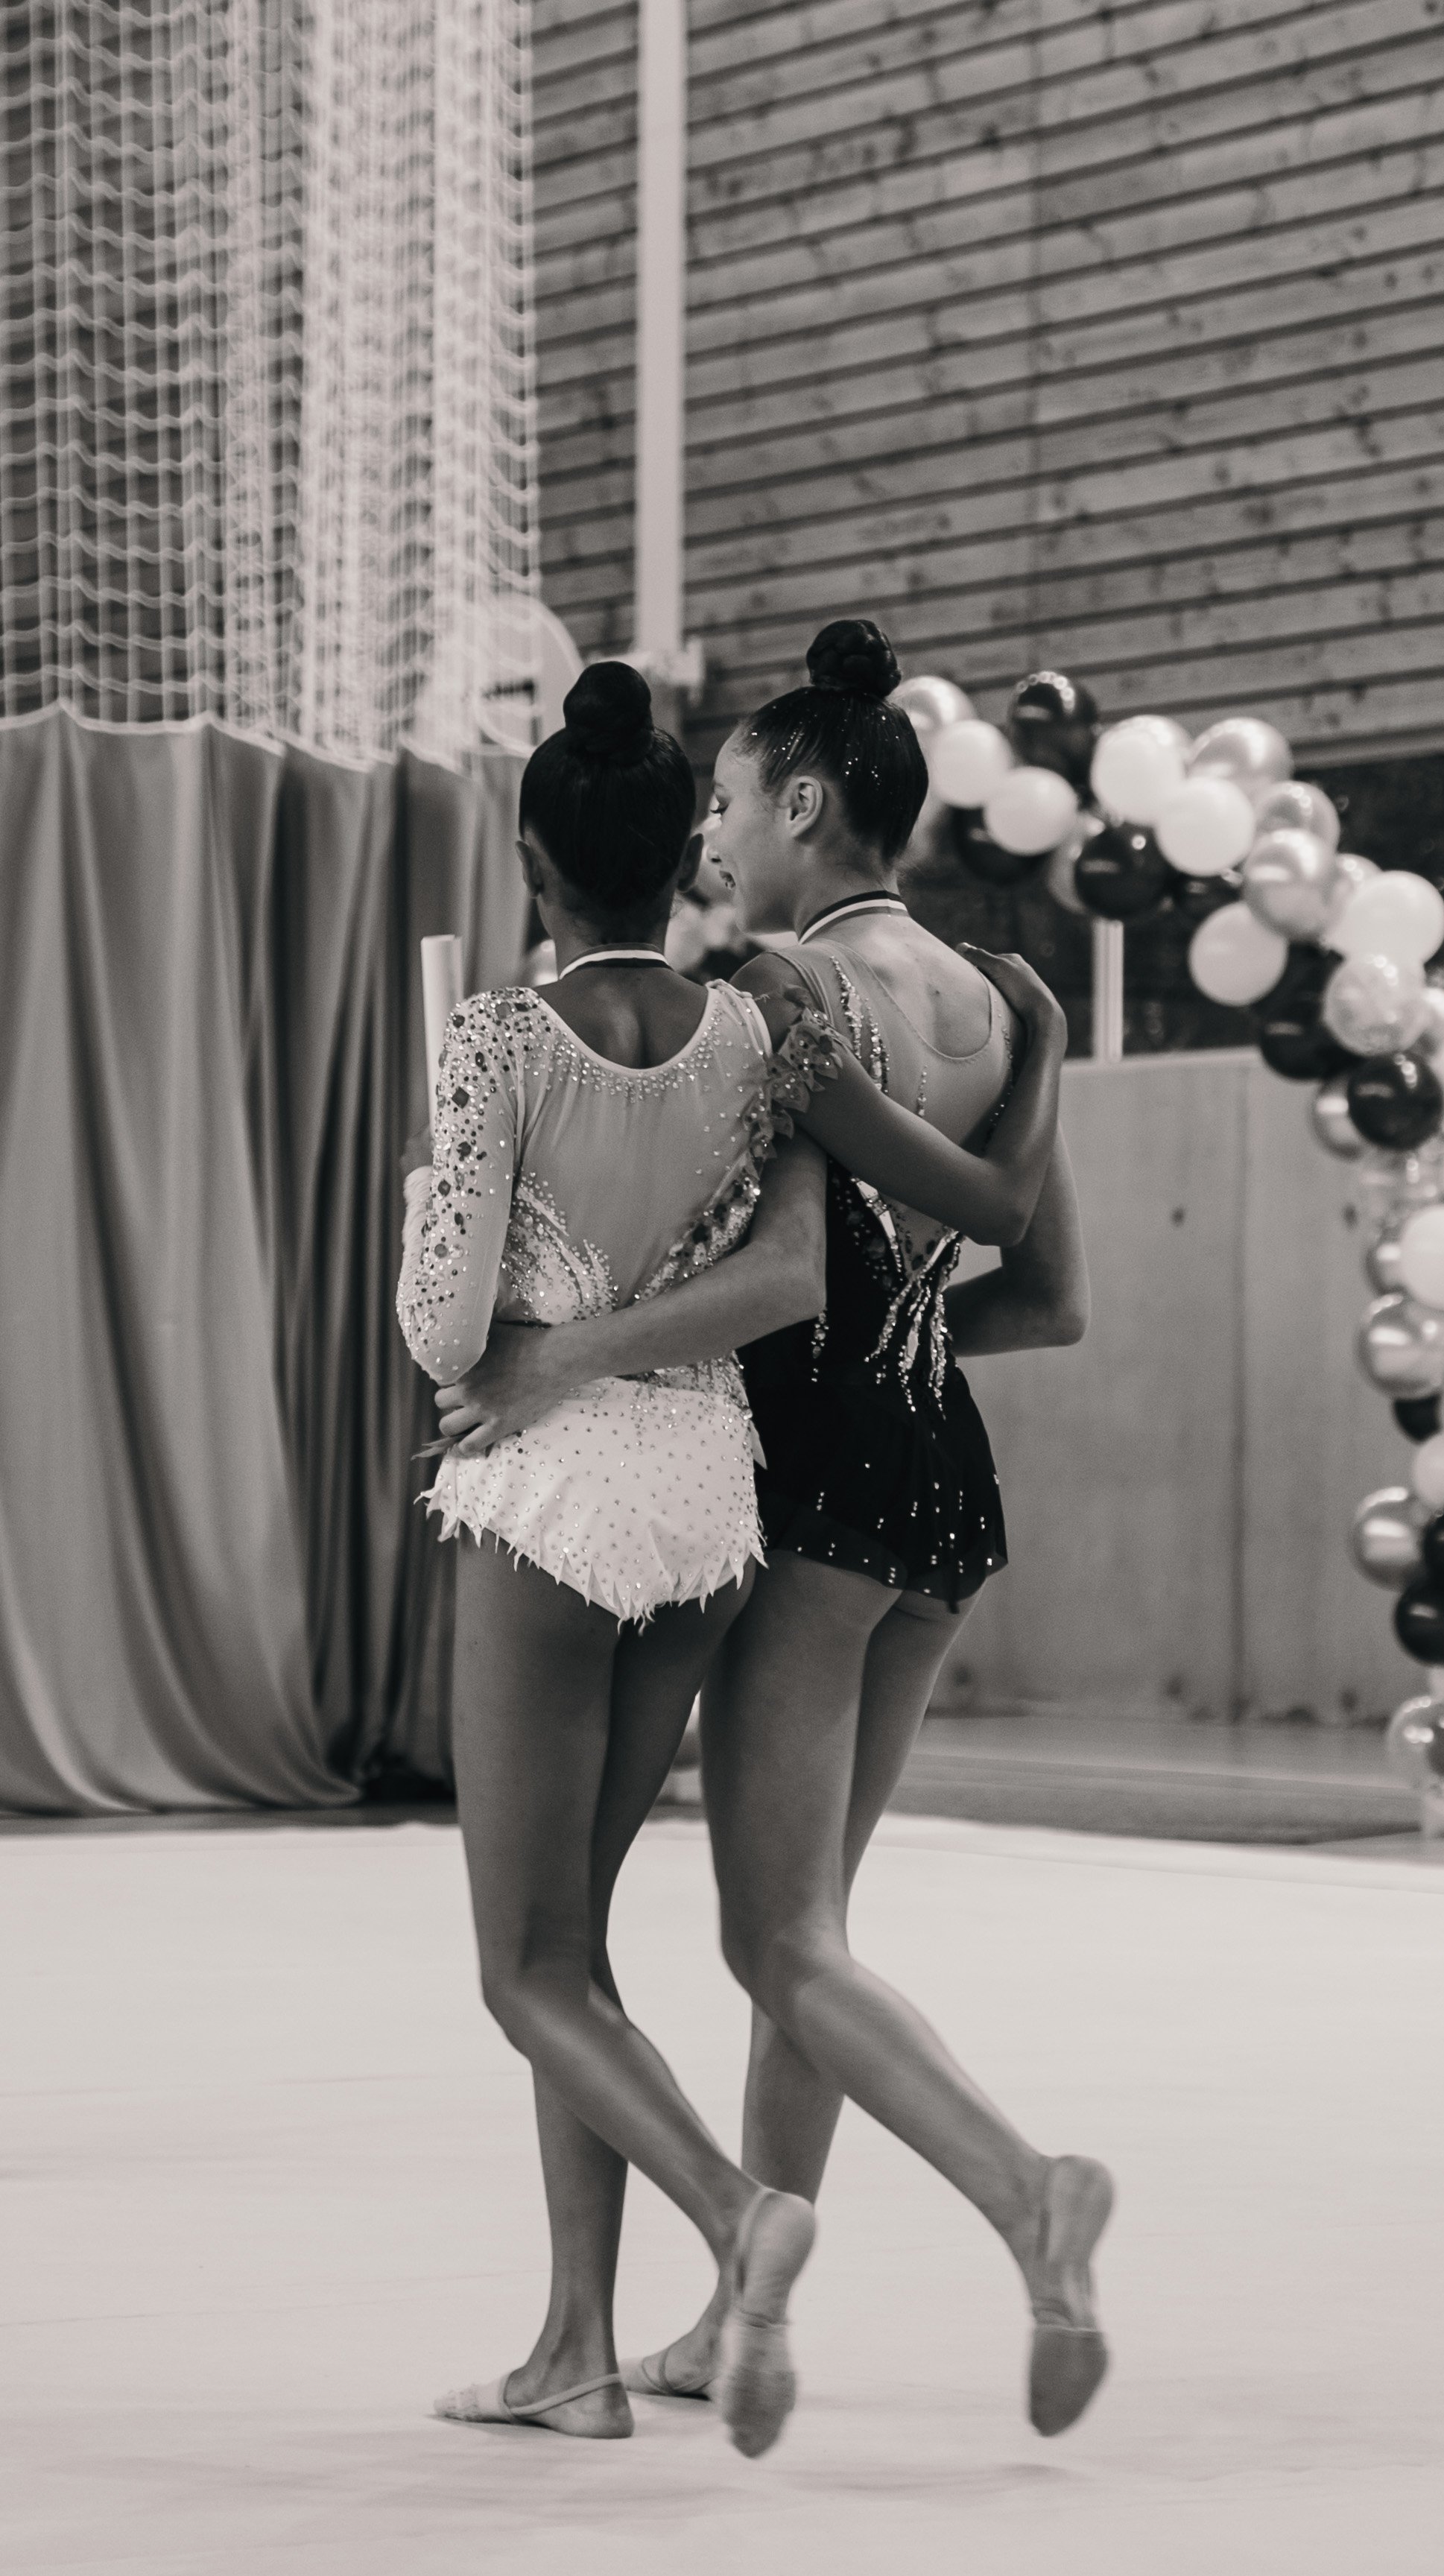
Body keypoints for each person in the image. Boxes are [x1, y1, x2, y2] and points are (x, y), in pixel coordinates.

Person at [434, 622, 1112, 2440]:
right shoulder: (983, 996)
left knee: (766, 1938)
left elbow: (838, 1245)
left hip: (796, 1481)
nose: (717, 830)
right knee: (799, 1920)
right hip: (942, 1479)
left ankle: (1013, 2194)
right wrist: (1035, 1085)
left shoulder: (788, 1003)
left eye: (734, 795)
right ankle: (730, 2328)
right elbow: (1038, 1291)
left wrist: (561, 1345)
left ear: (807, 801)